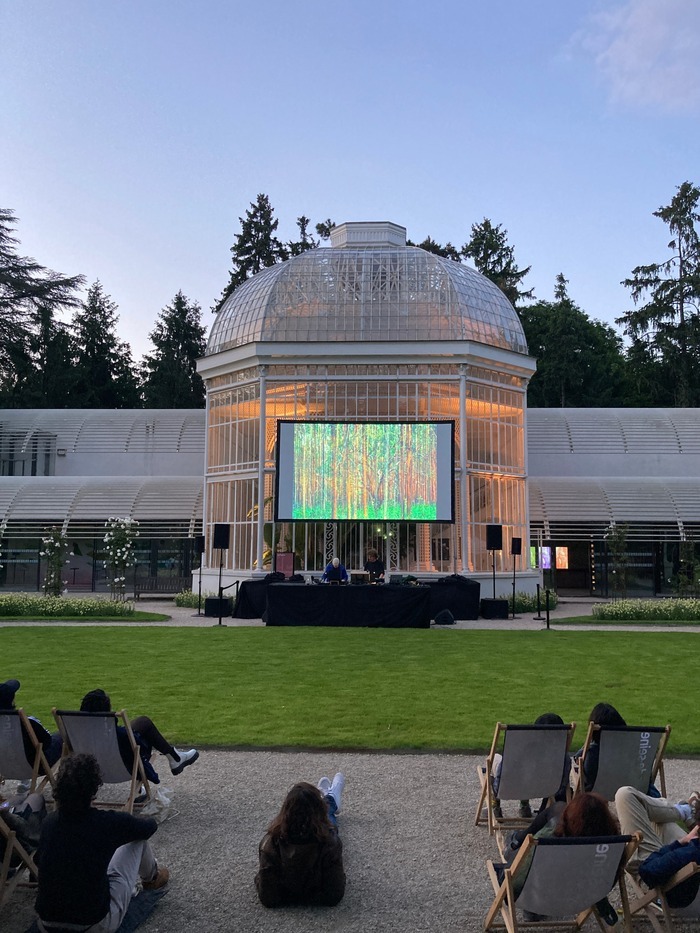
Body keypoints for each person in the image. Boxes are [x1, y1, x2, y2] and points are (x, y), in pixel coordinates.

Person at [35, 753, 169, 932]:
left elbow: (39, 861)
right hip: (92, 924)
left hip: (46, 923)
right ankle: (152, 878)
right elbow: (148, 828)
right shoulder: (105, 822)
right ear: (94, 788)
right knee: (137, 842)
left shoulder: (49, 823)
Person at [500, 792, 622, 926]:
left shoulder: (549, 843)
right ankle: (516, 840)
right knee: (558, 807)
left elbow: (516, 880)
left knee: (523, 858)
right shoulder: (614, 846)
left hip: (533, 897)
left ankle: (515, 841)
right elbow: (610, 879)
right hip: (584, 898)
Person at [255, 772, 346, 907]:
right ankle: (329, 799)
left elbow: (268, 896)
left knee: (322, 823)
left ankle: (329, 798)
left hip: (281, 896)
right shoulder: (330, 842)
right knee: (328, 825)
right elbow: (334, 894)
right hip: (319, 896)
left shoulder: (270, 843)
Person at [80, 689, 198, 783]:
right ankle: (174, 758)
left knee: (140, 726)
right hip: (122, 769)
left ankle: (174, 758)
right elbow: (139, 746)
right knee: (143, 727)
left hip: (89, 769)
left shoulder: (74, 734)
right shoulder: (118, 736)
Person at [615, 785, 700, 906]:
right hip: (687, 877)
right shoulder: (691, 851)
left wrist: (678, 844)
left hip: (662, 885)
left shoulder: (688, 853)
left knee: (625, 795)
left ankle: (684, 811)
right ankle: (684, 811)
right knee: (660, 815)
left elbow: (647, 870)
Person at [0, 678, 62, 774]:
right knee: (63, 735)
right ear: (12, 701)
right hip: (35, 766)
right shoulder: (26, 723)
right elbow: (46, 743)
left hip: (4, 767)